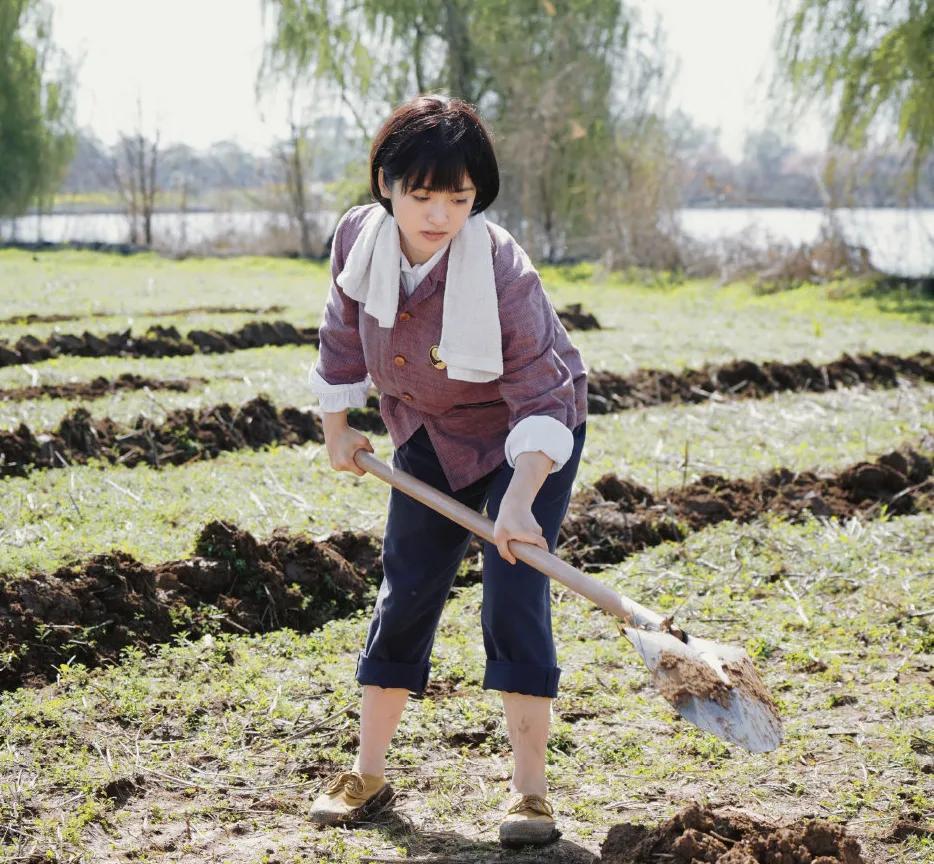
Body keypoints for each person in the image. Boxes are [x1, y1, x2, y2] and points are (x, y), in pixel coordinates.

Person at [307, 93, 588, 848]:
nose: (438, 215)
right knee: (407, 584)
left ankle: (529, 793)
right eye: (421, 195)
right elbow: (341, 330)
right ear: (386, 186)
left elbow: (542, 390)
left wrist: (520, 499)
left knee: (514, 589)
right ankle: (366, 770)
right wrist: (338, 423)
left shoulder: (500, 267)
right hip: (429, 431)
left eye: (458, 198)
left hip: (529, 437)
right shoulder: (357, 241)